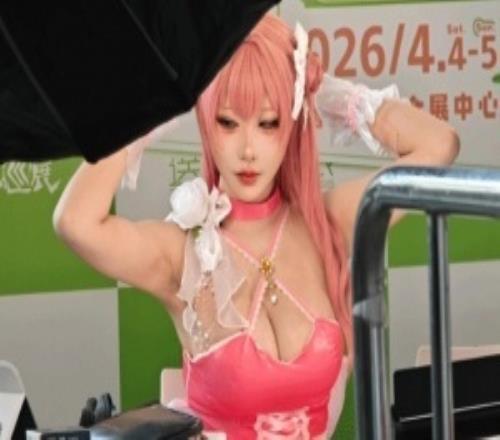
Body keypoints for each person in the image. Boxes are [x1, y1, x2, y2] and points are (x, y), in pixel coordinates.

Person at [53, 13, 459, 440]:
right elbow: (75, 222)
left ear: (291, 122)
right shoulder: (182, 253)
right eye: (228, 122)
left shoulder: (326, 225)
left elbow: (439, 145)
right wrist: (148, 112)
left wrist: (320, 91)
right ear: (206, 123)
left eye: (268, 123)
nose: (248, 150)